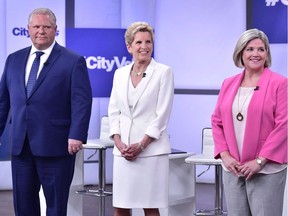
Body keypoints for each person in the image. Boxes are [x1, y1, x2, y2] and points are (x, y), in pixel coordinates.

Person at [0, 8, 92, 215]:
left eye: (46, 27)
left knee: (56, 206)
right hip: (20, 147)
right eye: (36, 27)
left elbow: (81, 102)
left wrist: (77, 135)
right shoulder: (13, 59)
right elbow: (3, 102)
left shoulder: (73, 61)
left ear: (55, 30)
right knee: (23, 206)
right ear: (28, 30)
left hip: (56, 146)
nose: (41, 31)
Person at [211, 28, 287, 216]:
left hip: (266, 169)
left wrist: (260, 161)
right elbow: (216, 121)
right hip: (233, 168)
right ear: (241, 53)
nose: (255, 54)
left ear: (267, 54)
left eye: (261, 49)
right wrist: (225, 156)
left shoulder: (280, 83)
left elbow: (284, 125)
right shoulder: (228, 83)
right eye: (250, 49)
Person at [108, 21, 174, 216]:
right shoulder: (119, 74)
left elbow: (162, 115)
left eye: (148, 42)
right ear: (129, 46)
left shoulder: (163, 72)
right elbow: (114, 112)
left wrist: (142, 144)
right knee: (121, 206)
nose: (144, 47)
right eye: (138, 42)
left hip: (151, 151)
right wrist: (119, 142)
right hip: (123, 152)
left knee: (150, 207)